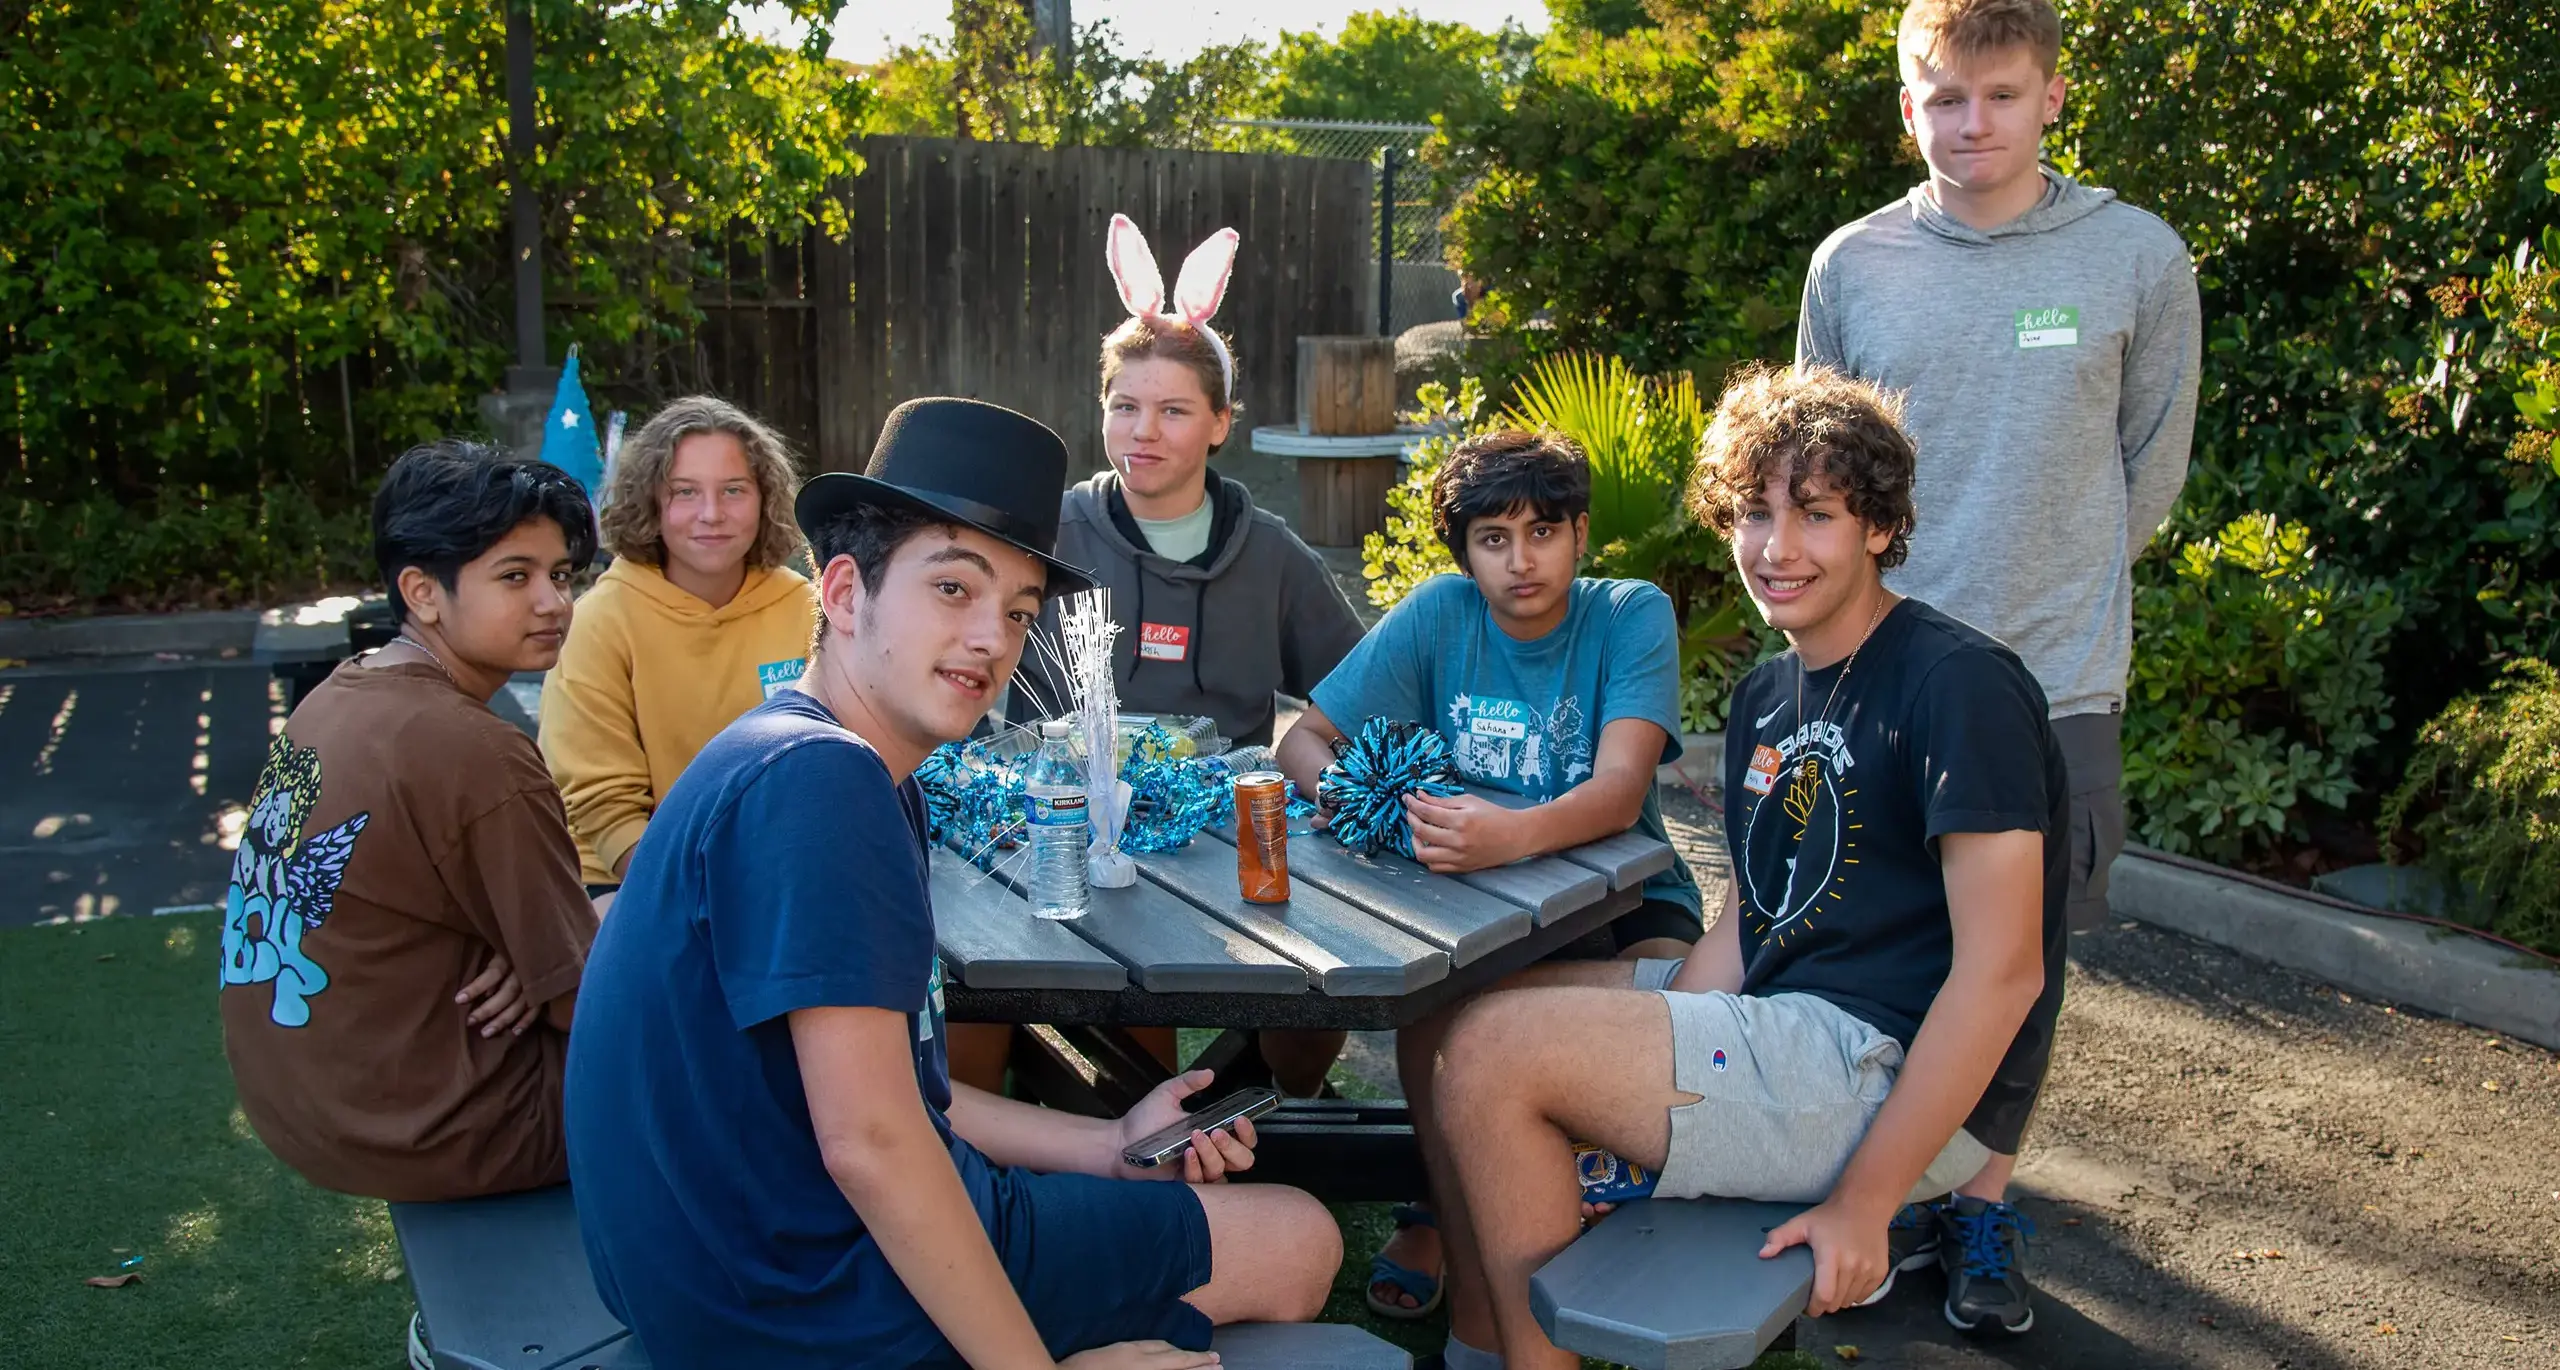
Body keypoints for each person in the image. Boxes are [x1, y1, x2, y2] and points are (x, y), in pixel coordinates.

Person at [565, 397, 1341, 1370]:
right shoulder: (822, 781)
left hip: (729, 1263)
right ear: (843, 592)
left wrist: (1107, 1147)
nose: (991, 637)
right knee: (1300, 1236)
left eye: (1016, 611)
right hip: (803, 1294)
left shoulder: (818, 759)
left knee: (1206, 1222)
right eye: (951, 588)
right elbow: (874, 1143)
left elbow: (893, 1092)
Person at [1422, 365, 2068, 1370]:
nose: (1776, 549)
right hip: (1781, 1023)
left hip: (1882, 1064)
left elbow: (2003, 973)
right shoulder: (1770, 691)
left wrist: (1866, 1200)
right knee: (1453, 1013)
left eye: (1813, 514)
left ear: (1880, 527)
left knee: (1505, 1048)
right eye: (1753, 514)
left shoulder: (1959, 684)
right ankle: (1488, 1339)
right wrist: (1643, 1050)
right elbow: (1752, 914)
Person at [1793, 0, 2202, 1327]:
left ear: (2052, 99)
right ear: (1907, 103)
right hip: (1880, 667)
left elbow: (2153, 464)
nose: (1972, 124)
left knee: (2018, 964)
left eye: (2002, 96)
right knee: (1875, 928)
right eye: (1944, 98)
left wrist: (2060, 581)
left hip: (2055, 680)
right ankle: (1874, 1183)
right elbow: (1813, 467)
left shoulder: (2135, 255)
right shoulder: (1853, 263)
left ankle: (1979, 1210)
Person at [1271, 427, 1705, 1320]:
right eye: (1492, 539)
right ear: (1463, 550)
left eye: (1542, 532)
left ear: (1581, 535)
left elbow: (1620, 793)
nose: (1520, 561)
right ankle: (1451, 1231)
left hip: (1624, 902)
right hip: (1462, 907)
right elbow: (1302, 742)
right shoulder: (1439, 613)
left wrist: (1509, 835)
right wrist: (1381, 809)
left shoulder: (1628, 613)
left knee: (1675, 1018)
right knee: (1436, 1032)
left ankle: (1598, 1233)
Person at [968, 213, 1368, 1100]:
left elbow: (1362, 689)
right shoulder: (1048, 534)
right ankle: (1132, 1108)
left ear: (1221, 423)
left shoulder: (1269, 554)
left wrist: (1349, 781)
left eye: (1175, 410)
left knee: (1326, 978)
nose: (1143, 432)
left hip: (1226, 841)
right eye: (1124, 406)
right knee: (1118, 995)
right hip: (1069, 835)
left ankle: (1268, 1097)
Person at [219, 440, 600, 1206]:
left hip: (307, 1108)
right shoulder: (478, 752)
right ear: (423, 592)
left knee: (620, 917)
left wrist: (541, 955)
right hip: (441, 1126)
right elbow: (584, 1000)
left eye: (561, 576)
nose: (554, 602)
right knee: (746, 1031)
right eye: (515, 577)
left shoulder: (338, 694)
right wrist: (557, 960)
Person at [538, 396, 818, 903]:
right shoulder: (601, 620)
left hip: (780, 873)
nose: (712, 514)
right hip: (627, 878)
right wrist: (712, 902)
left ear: (765, 498)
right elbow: (605, 807)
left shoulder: (805, 607)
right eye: (685, 492)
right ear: (650, 502)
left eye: (734, 490)